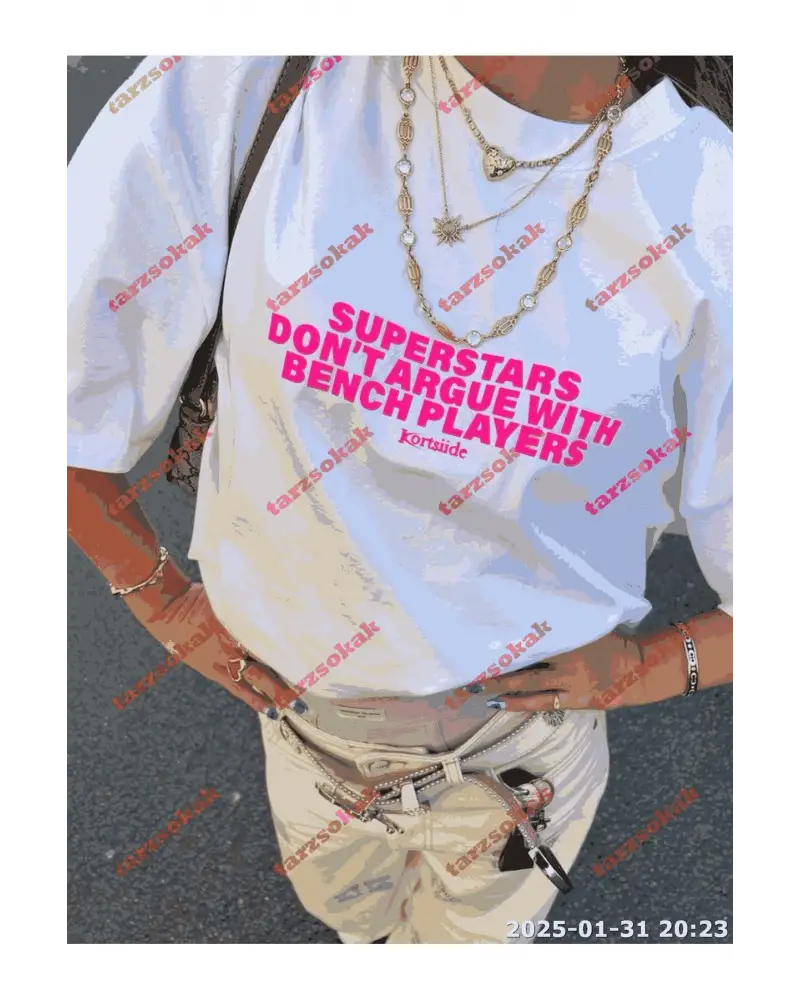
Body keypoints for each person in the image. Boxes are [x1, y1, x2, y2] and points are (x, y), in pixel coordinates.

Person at [65, 55, 735, 944]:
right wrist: (155, 596)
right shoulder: (242, 71)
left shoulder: (721, 206)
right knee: (353, 919)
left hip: (522, 752)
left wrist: (655, 666)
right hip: (301, 728)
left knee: (479, 942)